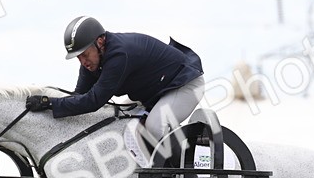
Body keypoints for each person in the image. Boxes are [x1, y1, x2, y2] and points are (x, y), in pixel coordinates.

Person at [24, 16, 206, 166]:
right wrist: (49, 106)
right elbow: (78, 97)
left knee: (154, 126)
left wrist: (49, 103)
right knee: (114, 120)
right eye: (78, 57)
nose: (83, 62)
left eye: (85, 54)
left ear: (100, 42)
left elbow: (93, 101)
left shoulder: (119, 55)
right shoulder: (93, 60)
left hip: (185, 85)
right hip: (155, 92)